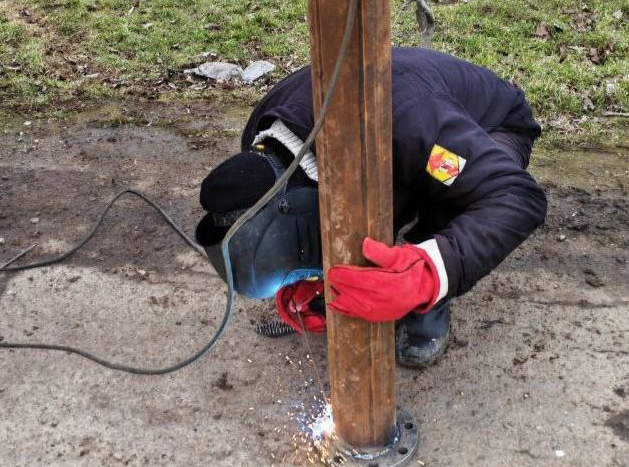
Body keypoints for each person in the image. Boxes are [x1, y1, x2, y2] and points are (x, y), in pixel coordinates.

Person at [195, 47, 547, 367]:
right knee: (381, 200)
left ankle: (431, 301)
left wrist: (430, 272)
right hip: (393, 134)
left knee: (452, 191)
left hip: (491, 126)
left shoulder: (412, 124)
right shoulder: (262, 136)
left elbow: (516, 197)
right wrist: (298, 277)